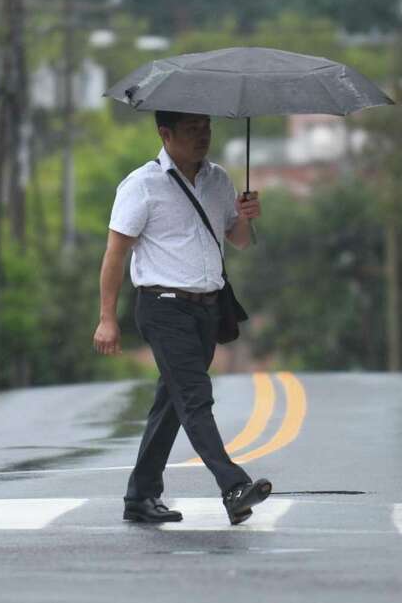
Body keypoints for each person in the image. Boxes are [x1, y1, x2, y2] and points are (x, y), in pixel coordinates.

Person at [93, 110, 272, 525]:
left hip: (207, 309)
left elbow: (240, 242)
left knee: (173, 403)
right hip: (162, 306)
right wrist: (107, 318)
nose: (202, 136)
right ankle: (233, 486)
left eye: (206, 128)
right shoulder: (141, 186)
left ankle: (140, 496)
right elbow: (115, 255)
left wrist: (246, 217)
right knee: (194, 396)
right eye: (192, 130)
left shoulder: (219, 180)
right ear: (165, 133)